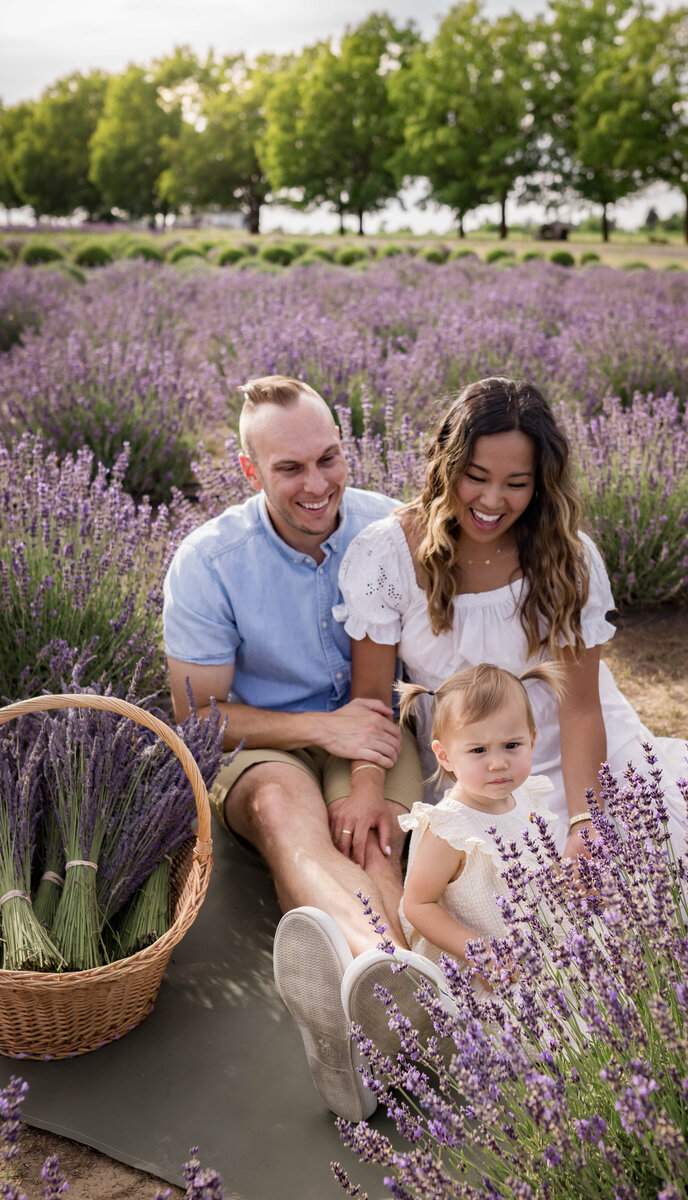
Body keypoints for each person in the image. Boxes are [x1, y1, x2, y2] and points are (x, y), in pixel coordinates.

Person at [333, 375, 688, 870]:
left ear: (540, 484)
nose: (493, 501)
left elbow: (579, 709)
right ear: (445, 465)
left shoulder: (566, 557)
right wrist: (364, 785)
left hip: (581, 750)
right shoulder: (386, 553)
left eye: (516, 484)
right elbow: (370, 702)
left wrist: (585, 820)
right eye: (476, 476)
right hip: (475, 762)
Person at [162, 374, 449, 1125]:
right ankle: (400, 989)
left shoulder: (390, 527)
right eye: (290, 469)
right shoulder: (209, 560)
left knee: (378, 843)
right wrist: (324, 729)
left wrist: (368, 747)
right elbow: (198, 714)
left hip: (374, 734)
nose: (316, 484)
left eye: (329, 459)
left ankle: (387, 1007)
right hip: (268, 742)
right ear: (251, 471)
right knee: (293, 824)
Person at [395, 663, 567, 990]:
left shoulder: (526, 798)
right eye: (478, 750)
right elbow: (417, 904)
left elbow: (535, 862)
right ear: (445, 756)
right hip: (481, 971)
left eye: (511, 745)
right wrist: (480, 952)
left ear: (532, 740)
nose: (498, 762)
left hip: (537, 949)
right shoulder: (450, 828)